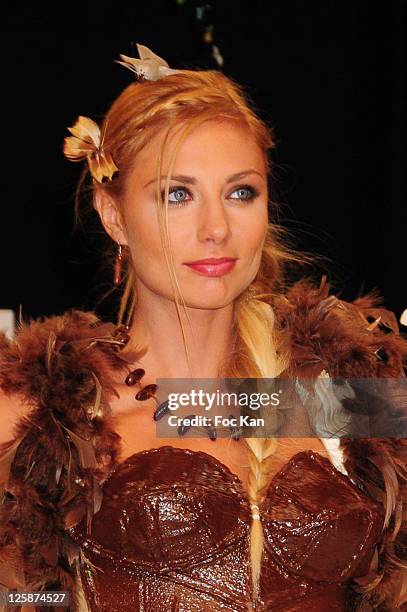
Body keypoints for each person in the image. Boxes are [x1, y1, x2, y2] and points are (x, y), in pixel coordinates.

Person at [0, 43, 407, 612]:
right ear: (113, 214)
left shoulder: (347, 395)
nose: (215, 227)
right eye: (177, 194)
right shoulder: (40, 415)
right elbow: (18, 597)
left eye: (240, 192)